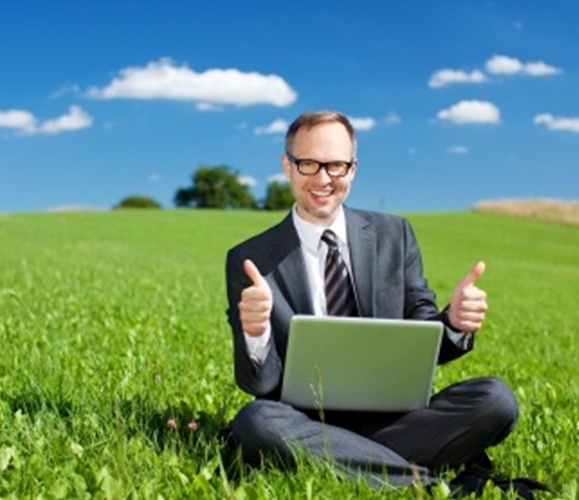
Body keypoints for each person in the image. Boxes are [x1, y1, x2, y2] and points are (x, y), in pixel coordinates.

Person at [224, 111, 531, 493]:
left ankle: (358, 463)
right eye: (308, 164)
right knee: (256, 422)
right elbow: (259, 382)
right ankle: (430, 484)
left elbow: (422, 334)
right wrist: (255, 333)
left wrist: (452, 321)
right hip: (306, 424)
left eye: (336, 165)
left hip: (395, 419)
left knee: (495, 400)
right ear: (287, 166)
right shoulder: (250, 259)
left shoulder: (394, 234)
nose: (323, 179)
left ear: (353, 170)